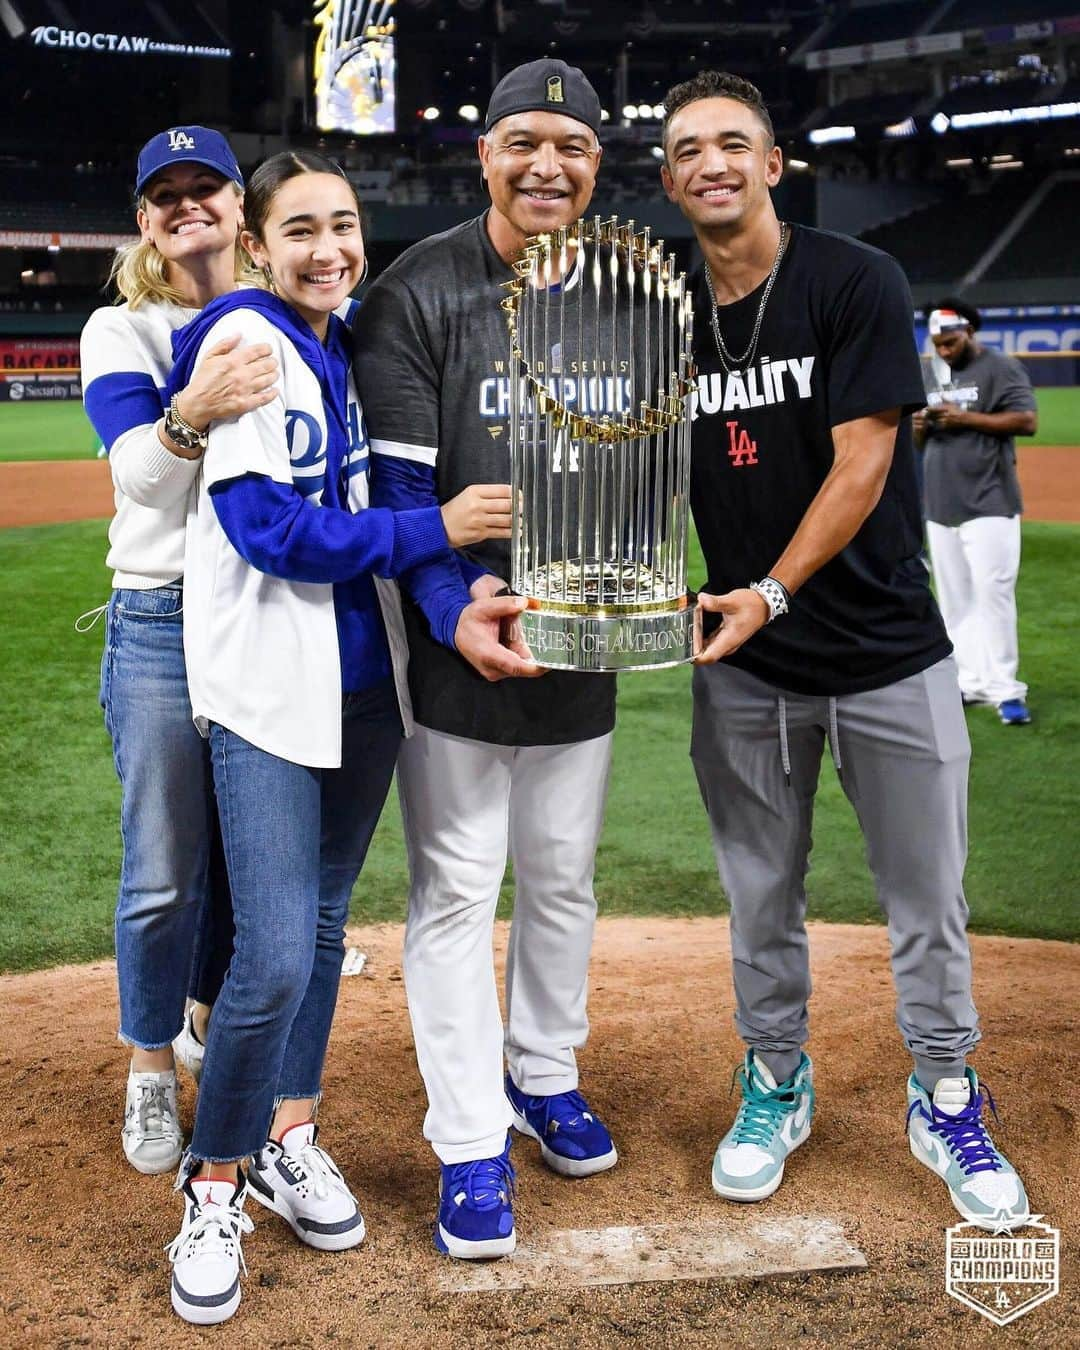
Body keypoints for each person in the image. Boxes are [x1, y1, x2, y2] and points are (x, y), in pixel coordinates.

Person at [660, 71, 1030, 1231]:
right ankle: (776, 1079)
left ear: (773, 165)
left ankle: (946, 1092)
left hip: (886, 652)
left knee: (926, 897)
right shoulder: (664, 302)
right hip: (749, 666)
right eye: (687, 150)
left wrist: (769, 590)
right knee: (759, 894)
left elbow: (863, 460)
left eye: (734, 143)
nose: (711, 163)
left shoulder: (855, 279)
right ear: (670, 181)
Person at [161, 150, 526, 1325]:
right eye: (302, 229)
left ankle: (287, 1136)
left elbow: (364, 518)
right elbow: (269, 529)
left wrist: (446, 597)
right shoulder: (244, 340)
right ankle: (211, 1185)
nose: (331, 248)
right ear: (259, 244)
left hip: (362, 687)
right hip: (266, 686)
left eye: (346, 224)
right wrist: (433, 527)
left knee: (318, 934)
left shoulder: (345, 341)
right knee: (269, 954)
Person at [353, 59, 621, 1261]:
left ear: (597, 163)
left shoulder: (629, 292)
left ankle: (542, 1071)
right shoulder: (419, 288)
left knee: (562, 875)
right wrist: (455, 606)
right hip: (457, 640)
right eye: (523, 142)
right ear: (485, 157)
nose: (546, 165)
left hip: (588, 630)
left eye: (569, 144)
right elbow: (406, 487)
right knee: (460, 887)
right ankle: (468, 1140)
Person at [80, 126, 280, 1178]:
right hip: (161, 615)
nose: (189, 204)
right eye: (167, 194)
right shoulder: (122, 331)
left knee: (258, 867)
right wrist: (195, 409)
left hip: (265, 612)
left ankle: (207, 1013)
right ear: (146, 220)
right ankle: (151, 1067)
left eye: (209, 187)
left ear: (243, 209)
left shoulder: (287, 311)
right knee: (164, 869)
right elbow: (141, 481)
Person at [914, 300, 1037, 725]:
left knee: (994, 596)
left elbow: (1026, 421)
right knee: (956, 600)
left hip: (990, 502)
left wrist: (965, 419)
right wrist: (917, 430)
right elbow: (918, 442)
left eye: (950, 343)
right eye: (937, 344)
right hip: (941, 502)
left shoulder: (1000, 367)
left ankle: (1006, 690)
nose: (944, 351)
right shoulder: (929, 371)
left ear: (968, 331)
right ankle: (970, 681)